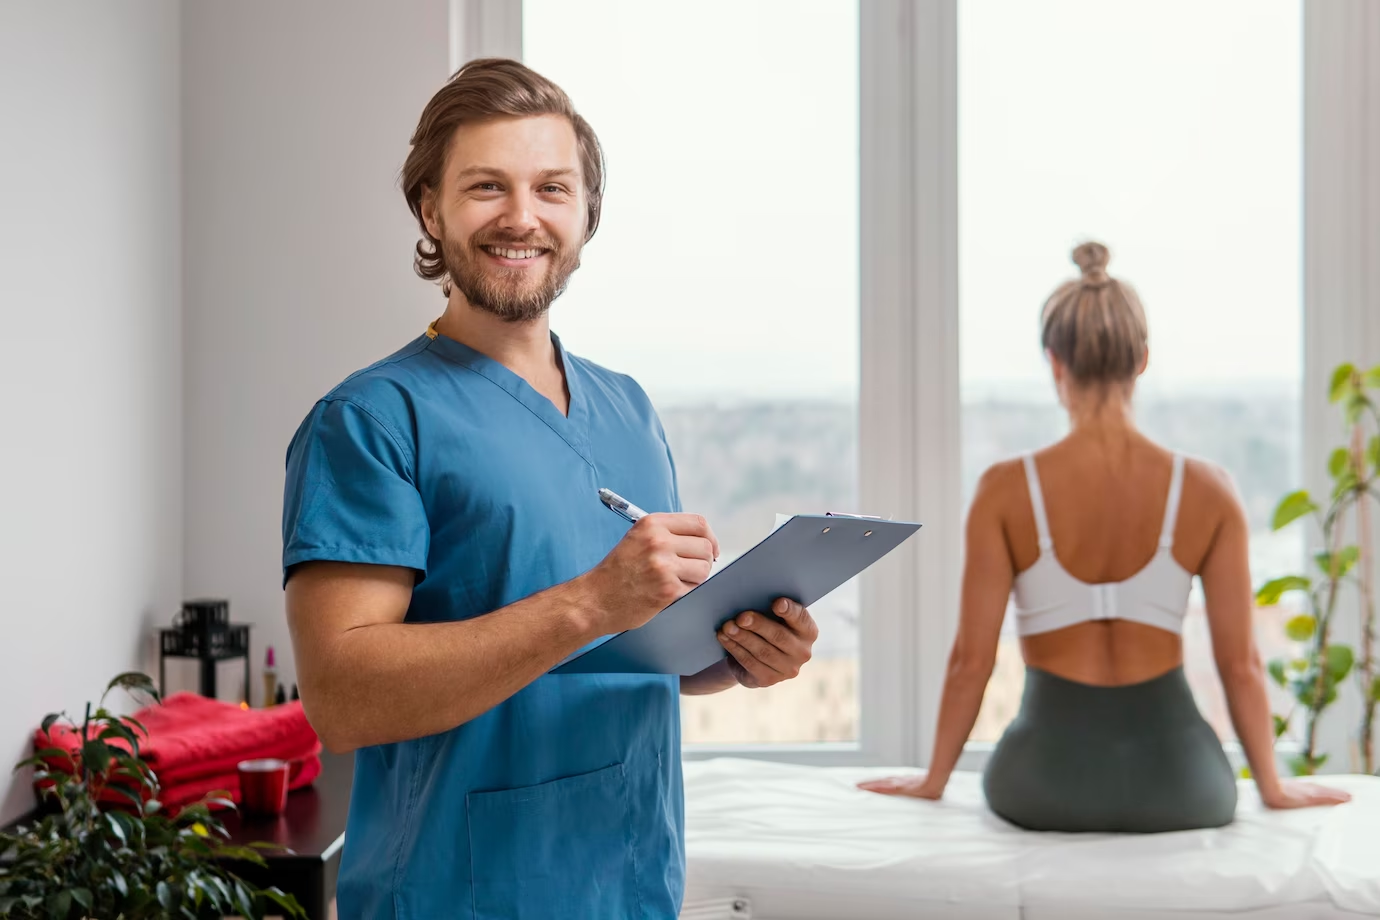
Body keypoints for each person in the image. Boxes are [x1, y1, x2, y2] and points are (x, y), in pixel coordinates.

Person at [280, 58, 819, 918]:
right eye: (487, 186)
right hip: (456, 890)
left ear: (586, 214)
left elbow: (619, 662)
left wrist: (733, 658)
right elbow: (342, 699)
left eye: (552, 189)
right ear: (431, 208)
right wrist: (595, 600)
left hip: (631, 881)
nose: (521, 218)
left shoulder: (627, 407)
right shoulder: (371, 420)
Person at [859, 242, 1351, 832]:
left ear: (1054, 361)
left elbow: (972, 660)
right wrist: (1272, 788)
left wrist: (933, 781)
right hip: (1184, 785)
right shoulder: (1208, 490)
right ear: (1142, 359)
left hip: (1041, 782)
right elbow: (1240, 663)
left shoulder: (1005, 490)